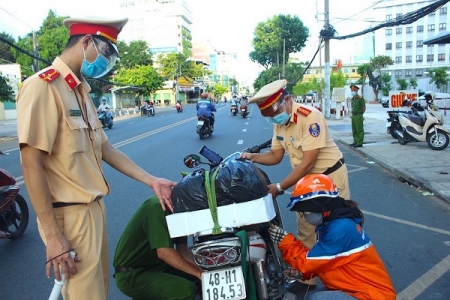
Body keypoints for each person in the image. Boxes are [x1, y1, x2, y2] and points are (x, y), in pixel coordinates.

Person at [16, 17, 176, 300]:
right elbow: (31, 164)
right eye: (106, 54)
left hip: (93, 211)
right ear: (86, 42)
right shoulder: (43, 87)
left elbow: (107, 150)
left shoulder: (80, 91)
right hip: (69, 216)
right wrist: (54, 237)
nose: (107, 62)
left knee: (96, 293)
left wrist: (152, 181)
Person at [243, 79, 350, 293]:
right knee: (306, 231)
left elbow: (307, 162)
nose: (274, 117)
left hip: (329, 180)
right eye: (269, 115)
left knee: (337, 228)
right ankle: (308, 279)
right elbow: (275, 155)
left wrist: (279, 187)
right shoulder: (279, 124)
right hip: (306, 184)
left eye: (274, 111)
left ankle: (343, 280)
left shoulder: (310, 118)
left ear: (287, 100)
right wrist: (253, 157)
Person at [268, 174, 396, 300]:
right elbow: (326, 261)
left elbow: (308, 263)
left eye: (305, 211)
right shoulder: (333, 223)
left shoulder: (340, 229)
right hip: (358, 288)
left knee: (317, 299)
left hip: (371, 295)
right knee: (312, 296)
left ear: (320, 207)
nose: (304, 216)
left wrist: (286, 242)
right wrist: (301, 273)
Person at [113, 195, 203, 299]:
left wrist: (205, 271)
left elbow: (182, 249)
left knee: (195, 277)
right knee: (185, 290)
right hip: (133, 274)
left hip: (157, 266)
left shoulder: (180, 210)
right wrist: (199, 273)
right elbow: (164, 253)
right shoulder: (158, 206)